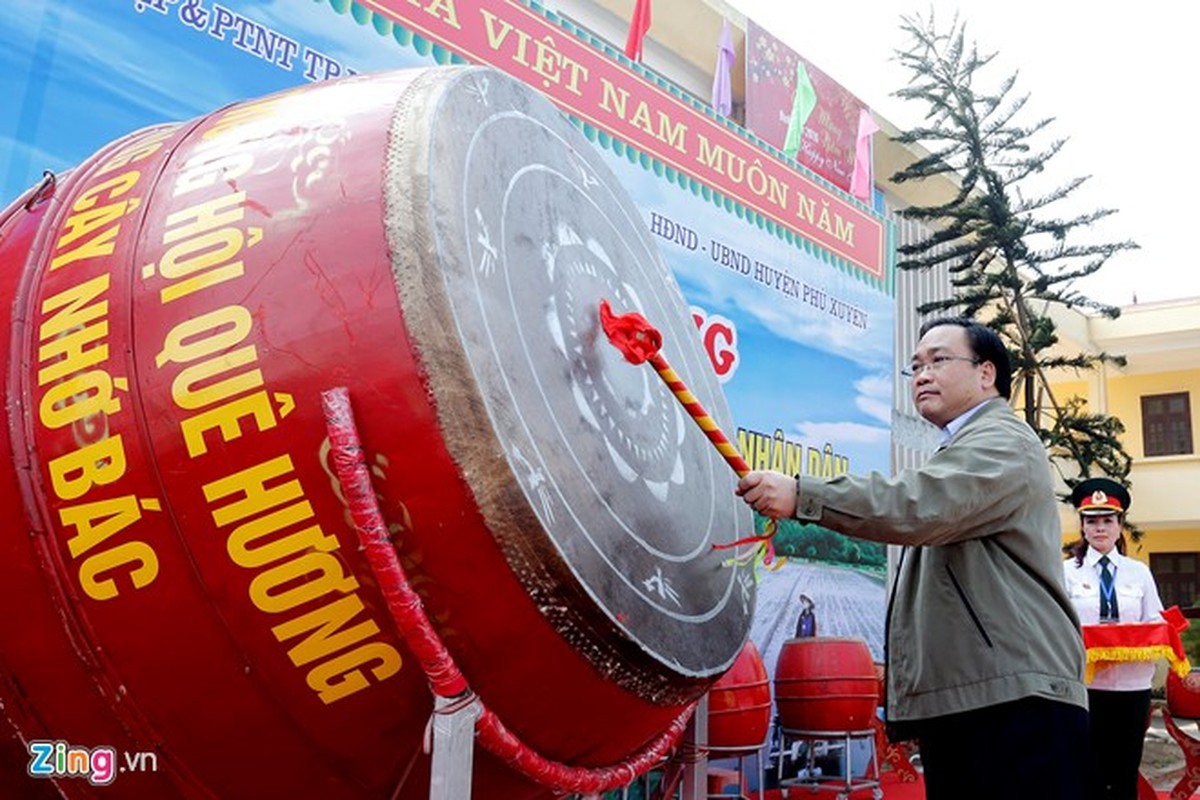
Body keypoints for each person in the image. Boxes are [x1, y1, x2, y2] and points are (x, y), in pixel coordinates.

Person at [736, 317, 1088, 800]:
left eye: (939, 360)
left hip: (1014, 699)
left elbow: (918, 503)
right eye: (916, 365)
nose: (922, 374)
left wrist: (804, 494)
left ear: (987, 374)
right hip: (983, 693)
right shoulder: (964, 447)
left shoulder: (1004, 441)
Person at [1064, 477, 1164, 800]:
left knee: (1125, 769)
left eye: (1108, 520)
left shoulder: (1139, 573)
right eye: (1091, 521)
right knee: (1086, 769)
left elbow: (1155, 621)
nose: (1100, 528)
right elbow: (1057, 626)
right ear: (1082, 526)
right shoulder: (1066, 572)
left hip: (1132, 686)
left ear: (1120, 525)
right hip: (1085, 686)